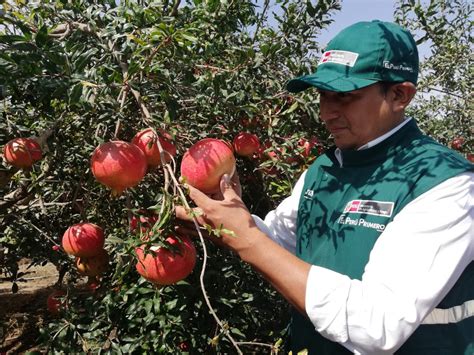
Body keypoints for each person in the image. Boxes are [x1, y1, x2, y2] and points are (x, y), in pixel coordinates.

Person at [176, 20, 473, 354]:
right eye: (322, 96)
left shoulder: (447, 185)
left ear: (399, 95)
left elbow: (378, 326)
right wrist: (231, 221)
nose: (326, 112)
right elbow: (279, 242)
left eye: (344, 97)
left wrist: (247, 241)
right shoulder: (325, 168)